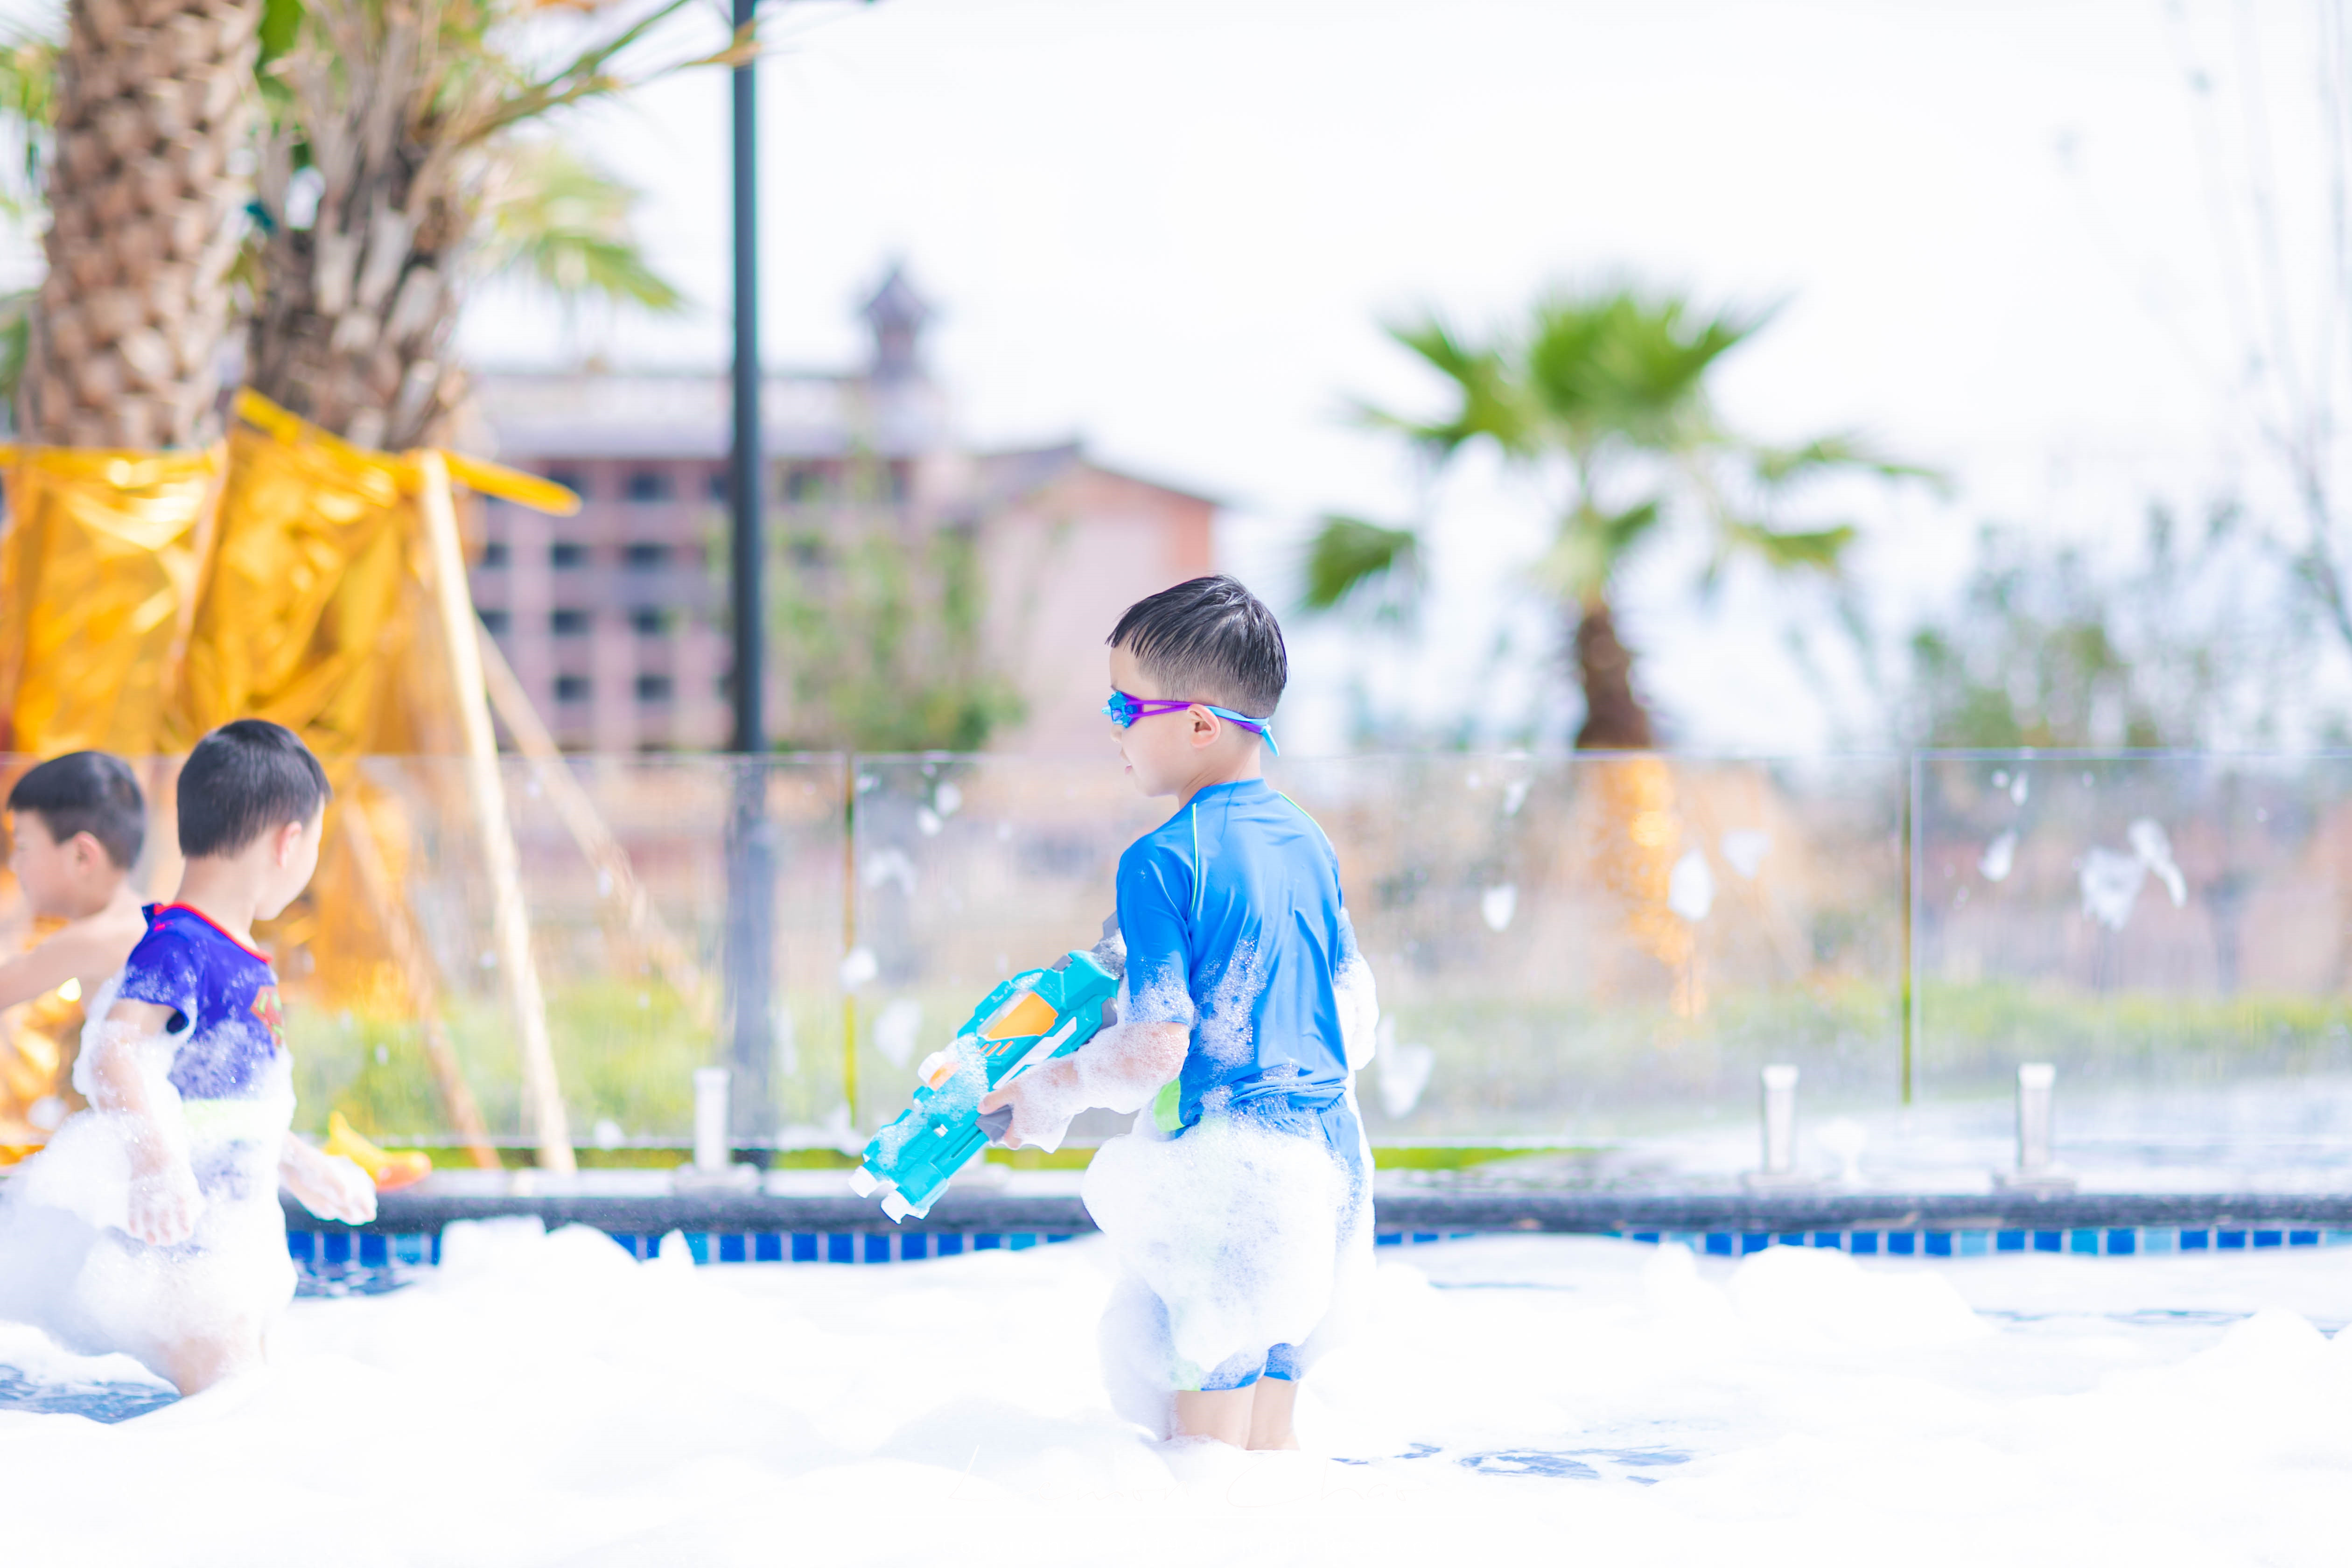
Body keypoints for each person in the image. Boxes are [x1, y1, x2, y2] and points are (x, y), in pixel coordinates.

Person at [980, 574, 1379, 1450]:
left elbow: (1158, 1048)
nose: (1114, 730)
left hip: (1234, 1180)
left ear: (1200, 725)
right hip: (1329, 1166)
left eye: (1126, 708)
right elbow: (1346, 1005)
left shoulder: (1161, 860)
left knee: (1200, 1462)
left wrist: (1045, 1093)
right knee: (1269, 1454)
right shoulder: (1309, 840)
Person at [4, 720, 374, 1394]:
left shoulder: (232, 953)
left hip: (229, 1244)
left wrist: (301, 1164)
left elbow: (223, 1106)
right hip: (188, 1253)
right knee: (230, 1419)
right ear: (288, 843)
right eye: (316, 843)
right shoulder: (178, 944)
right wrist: (156, 1167)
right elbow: (113, 1052)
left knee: (247, 1404)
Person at [0, 753, 153, 1155]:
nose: (15, 864)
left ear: (82, 856)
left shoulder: (94, 938)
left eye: (24, 847)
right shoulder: (147, 916)